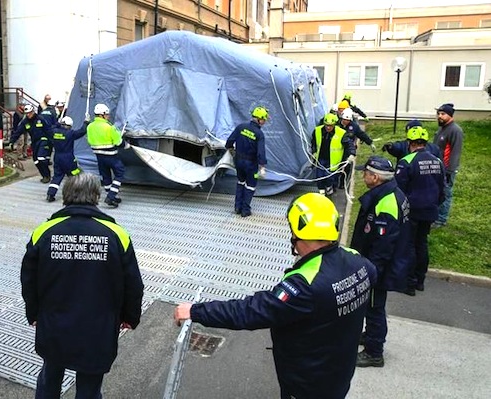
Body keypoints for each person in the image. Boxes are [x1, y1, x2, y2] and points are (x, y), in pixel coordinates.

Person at [174, 192, 377, 399]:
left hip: (307, 382)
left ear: (297, 233)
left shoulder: (305, 285)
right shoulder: (360, 263)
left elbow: (251, 311)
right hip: (339, 371)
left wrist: (195, 311)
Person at [21, 172, 145, 399]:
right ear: (96, 196)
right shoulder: (117, 234)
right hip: (98, 328)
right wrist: (130, 316)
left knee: (50, 377)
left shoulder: (44, 232)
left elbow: (28, 279)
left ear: (65, 196)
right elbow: (133, 285)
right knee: (89, 386)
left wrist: (34, 314)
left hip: (54, 324)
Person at [350, 155, 411, 367]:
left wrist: (370, 273)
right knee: (372, 306)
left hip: (380, 268)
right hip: (383, 263)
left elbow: (383, 246)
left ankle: (374, 352)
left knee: (375, 308)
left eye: (366, 173)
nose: (363, 176)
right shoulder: (391, 193)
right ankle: (370, 336)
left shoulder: (386, 204)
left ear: (375, 177)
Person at [395, 127, 446, 295]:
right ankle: (420, 280)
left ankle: (409, 283)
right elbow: (442, 189)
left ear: (409, 143)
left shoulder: (406, 162)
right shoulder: (437, 161)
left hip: (412, 211)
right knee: (422, 244)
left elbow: (399, 190)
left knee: (408, 245)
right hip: (430, 210)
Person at [225, 106, 268, 217]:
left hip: (238, 161)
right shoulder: (259, 134)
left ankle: (237, 207)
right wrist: (262, 166)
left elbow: (229, 141)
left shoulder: (241, 127)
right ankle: (245, 210)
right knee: (250, 186)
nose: (264, 122)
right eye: (264, 120)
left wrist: (231, 149)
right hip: (251, 164)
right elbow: (261, 153)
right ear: (259, 119)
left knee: (240, 182)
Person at [86, 103, 130, 208]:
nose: (108, 116)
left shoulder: (90, 126)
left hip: (99, 156)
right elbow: (118, 142)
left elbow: (89, 140)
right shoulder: (109, 127)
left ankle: (112, 196)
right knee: (120, 173)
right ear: (102, 114)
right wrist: (127, 145)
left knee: (106, 176)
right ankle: (111, 196)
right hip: (111, 156)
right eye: (107, 114)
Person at [432, 103, 464, 227]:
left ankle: (441, 219)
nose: (439, 116)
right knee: (437, 192)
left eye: (443, 114)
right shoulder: (441, 129)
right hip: (437, 167)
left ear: (450, 115)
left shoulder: (455, 130)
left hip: (446, 169)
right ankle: (435, 216)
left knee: (446, 193)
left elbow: (455, 152)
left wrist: (450, 171)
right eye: (438, 114)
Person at [46, 116, 89, 202]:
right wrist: (86, 123)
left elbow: (49, 129)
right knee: (75, 175)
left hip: (57, 157)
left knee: (57, 176)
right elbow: (82, 131)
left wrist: (57, 124)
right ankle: (77, 194)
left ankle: (50, 194)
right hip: (68, 158)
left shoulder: (54, 132)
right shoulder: (70, 133)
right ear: (69, 126)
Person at [311, 113, 356, 196]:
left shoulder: (341, 133)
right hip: (320, 158)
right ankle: (322, 192)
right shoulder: (317, 131)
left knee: (329, 176)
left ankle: (329, 187)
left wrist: (352, 154)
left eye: (330, 125)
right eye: (326, 125)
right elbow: (313, 143)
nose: (328, 127)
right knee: (319, 176)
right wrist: (313, 152)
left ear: (334, 124)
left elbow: (349, 144)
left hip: (333, 160)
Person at [10, 104, 52, 183]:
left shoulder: (40, 119)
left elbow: (48, 130)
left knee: (41, 158)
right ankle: (44, 175)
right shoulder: (25, 122)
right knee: (36, 160)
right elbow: (18, 132)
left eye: (30, 113)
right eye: (27, 113)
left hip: (43, 140)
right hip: (35, 142)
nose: (29, 115)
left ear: (33, 111)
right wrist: (11, 141)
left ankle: (47, 175)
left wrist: (52, 141)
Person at [338, 108, 375, 190]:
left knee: (346, 166)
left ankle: (342, 183)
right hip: (337, 149)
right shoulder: (337, 125)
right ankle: (334, 183)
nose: (345, 121)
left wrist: (370, 142)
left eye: (347, 120)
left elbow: (361, 134)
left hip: (348, 149)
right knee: (336, 166)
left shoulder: (353, 126)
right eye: (344, 119)